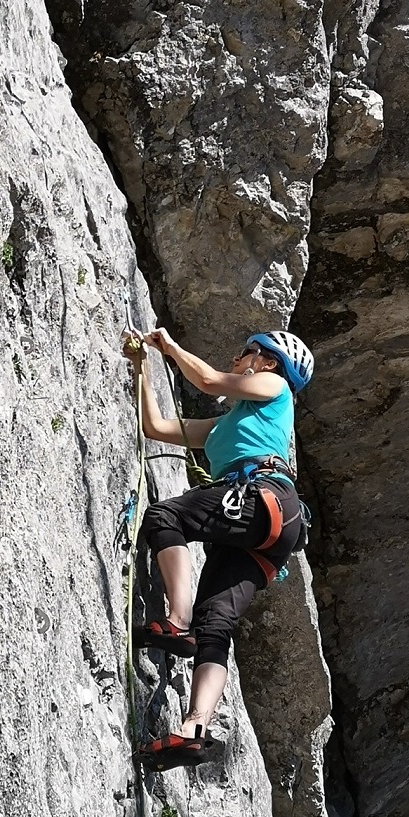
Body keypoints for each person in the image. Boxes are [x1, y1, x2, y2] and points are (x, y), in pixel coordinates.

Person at [125, 325, 313, 770]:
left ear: (267, 363)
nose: (237, 358)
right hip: (273, 528)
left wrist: (168, 347)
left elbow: (209, 380)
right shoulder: (226, 426)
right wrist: (141, 367)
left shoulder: (275, 385)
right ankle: (194, 730)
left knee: (164, 517)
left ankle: (176, 620)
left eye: (247, 352)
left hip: (261, 495)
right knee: (217, 622)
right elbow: (155, 428)